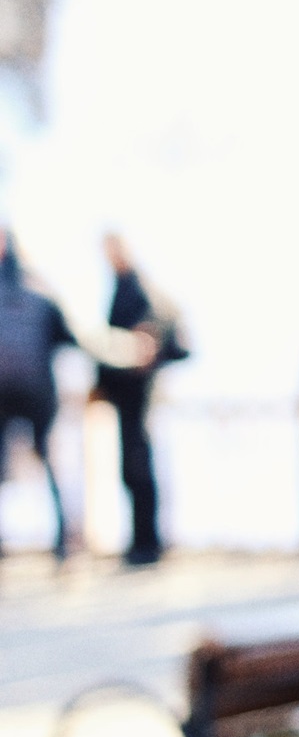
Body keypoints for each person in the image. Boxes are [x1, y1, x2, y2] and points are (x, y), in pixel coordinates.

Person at [93, 231, 188, 567]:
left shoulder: (139, 288)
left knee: (139, 466)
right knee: (133, 468)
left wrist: (146, 341)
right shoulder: (123, 286)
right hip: (128, 395)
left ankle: (148, 544)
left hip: (141, 394)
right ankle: (142, 541)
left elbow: (155, 330)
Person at [0, 230, 76, 560]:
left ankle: (64, 540)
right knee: (40, 461)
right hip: (24, 390)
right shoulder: (40, 288)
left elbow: (66, 335)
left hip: (31, 392)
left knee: (48, 460)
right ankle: (64, 540)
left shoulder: (37, 290)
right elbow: (68, 336)